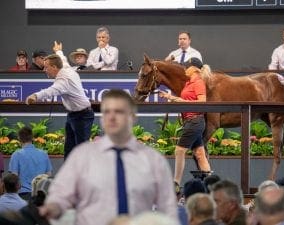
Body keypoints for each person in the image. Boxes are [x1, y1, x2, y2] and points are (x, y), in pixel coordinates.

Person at [38, 89, 178, 225]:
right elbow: (60, 196)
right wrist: (52, 209)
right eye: (106, 112)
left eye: (118, 111)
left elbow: (168, 209)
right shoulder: (81, 156)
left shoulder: (154, 161)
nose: (111, 117)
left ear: (133, 117)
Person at [25, 54, 95, 159]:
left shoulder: (63, 81)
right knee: (69, 150)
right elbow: (63, 60)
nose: (44, 70)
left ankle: (86, 175)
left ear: (54, 67)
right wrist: (58, 51)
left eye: (46, 67)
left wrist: (35, 96)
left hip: (82, 116)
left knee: (81, 151)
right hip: (73, 115)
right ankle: (68, 174)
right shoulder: (66, 69)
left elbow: (51, 91)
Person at [159, 58, 211, 186]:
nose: (184, 70)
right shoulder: (189, 83)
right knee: (200, 154)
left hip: (195, 121)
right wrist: (170, 97)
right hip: (191, 121)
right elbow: (185, 99)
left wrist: (179, 101)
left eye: (186, 67)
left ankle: (175, 184)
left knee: (179, 150)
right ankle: (212, 186)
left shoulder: (198, 82)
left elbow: (202, 102)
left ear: (193, 68)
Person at [8, 127, 52, 201]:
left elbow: (14, 177)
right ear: (32, 138)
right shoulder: (44, 154)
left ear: (19, 139)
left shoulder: (16, 155)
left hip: (23, 195)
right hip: (41, 195)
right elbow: (49, 175)